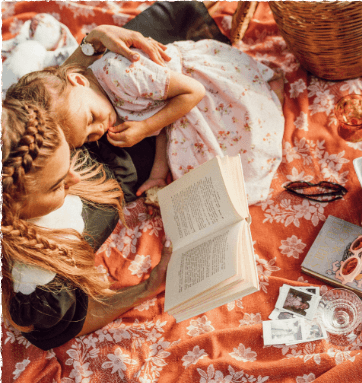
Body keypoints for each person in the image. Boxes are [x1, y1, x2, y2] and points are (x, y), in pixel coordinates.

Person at [8, 38, 285, 205]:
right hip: (176, 108)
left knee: (250, 129)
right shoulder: (98, 103)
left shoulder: (120, 74)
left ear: (79, 80)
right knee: (207, 176)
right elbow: (162, 124)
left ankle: (272, 93)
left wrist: (144, 128)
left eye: (91, 119)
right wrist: (155, 176)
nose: (99, 129)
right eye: (90, 137)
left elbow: (193, 92)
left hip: (196, 87)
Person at [1, 98, 172, 351]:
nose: (76, 177)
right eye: (58, 185)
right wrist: (149, 287)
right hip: (131, 168)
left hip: (126, 140)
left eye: (68, 155)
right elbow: (74, 323)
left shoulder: (22, 130)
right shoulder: (40, 287)